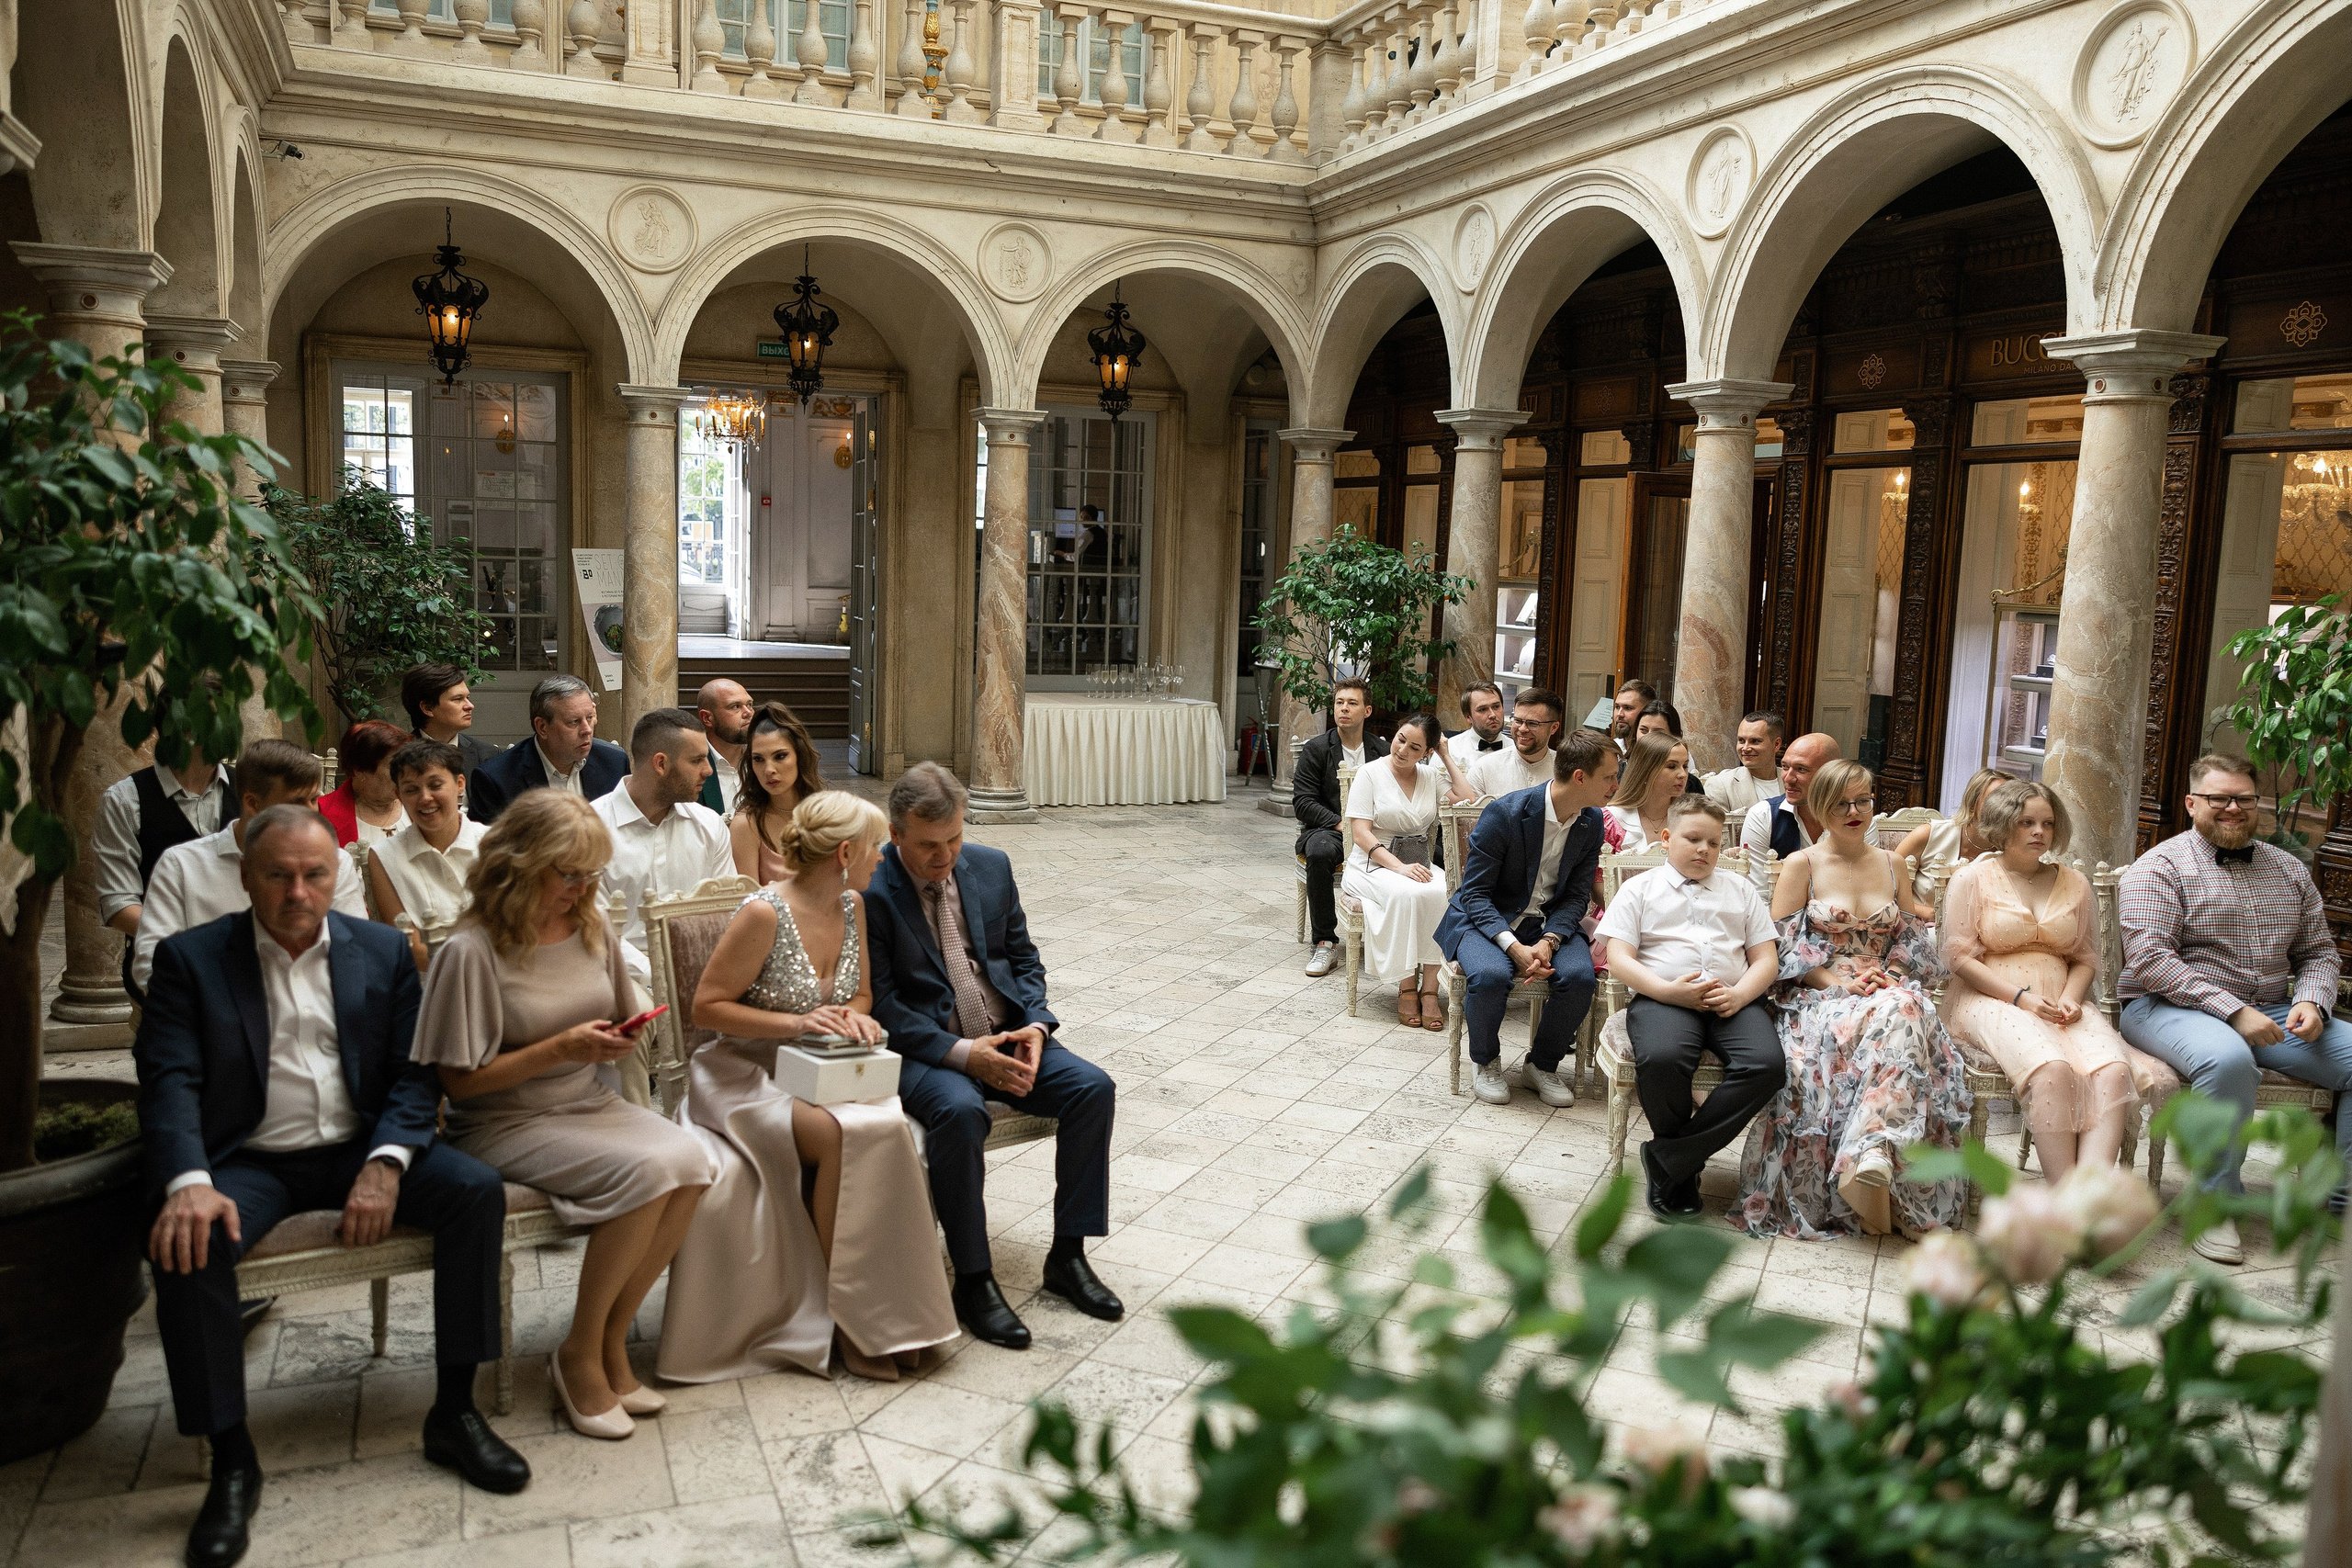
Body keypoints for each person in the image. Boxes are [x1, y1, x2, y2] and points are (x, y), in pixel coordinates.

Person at [135, 805, 528, 1568]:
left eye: (315, 873)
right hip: (248, 1159)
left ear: (336, 875)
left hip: (358, 1145)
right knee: (186, 1238)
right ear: (246, 877)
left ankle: (453, 1411)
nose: (297, 890)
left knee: (474, 1189)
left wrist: (386, 1163)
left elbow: (416, 1077)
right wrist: (188, 1180)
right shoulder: (193, 960)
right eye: (277, 874)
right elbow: (168, 1082)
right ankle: (232, 1456)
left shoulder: (380, 951)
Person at [411, 791, 711, 1438]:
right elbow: (458, 1085)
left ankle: (604, 1343)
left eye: (592, 874)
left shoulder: (590, 926)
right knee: (647, 1172)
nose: (582, 889)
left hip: (586, 1099)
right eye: (568, 874)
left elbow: (614, 1012)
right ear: (519, 865)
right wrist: (559, 1047)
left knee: (692, 1161)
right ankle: (578, 1353)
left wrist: (621, 1036)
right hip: (502, 1120)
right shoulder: (472, 950)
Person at [662, 793, 957, 1385]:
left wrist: (857, 1018)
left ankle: (897, 1314)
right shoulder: (763, 913)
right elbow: (707, 1009)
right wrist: (797, 1023)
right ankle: (848, 1319)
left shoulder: (854, 905)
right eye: (876, 846)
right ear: (846, 852)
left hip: (825, 1064)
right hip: (746, 1075)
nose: (882, 857)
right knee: (843, 1135)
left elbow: (863, 994)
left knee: (888, 1128)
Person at [865, 763, 1120, 1349]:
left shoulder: (990, 866)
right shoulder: (871, 888)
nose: (944, 855)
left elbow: (1022, 959)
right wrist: (963, 1055)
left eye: (954, 838)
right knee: (958, 1114)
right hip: (927, 1050)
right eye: (928, 845)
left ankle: (1068, 1256)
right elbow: (884, 1005)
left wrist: (1035, 1023)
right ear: (896, 833)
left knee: (1092, 1088)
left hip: (1006, 1032)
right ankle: (974, 1279)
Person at [2120, 753, 2352, 1262]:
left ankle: (2342, 1203)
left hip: (2274, 1009)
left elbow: (2317, 952)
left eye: (2243, 799)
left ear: (2256, 804)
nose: (2232, 808)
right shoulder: (2158, 867)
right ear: (2191, 804)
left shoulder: (2289, 869)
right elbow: (2151, 959)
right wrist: (2232, 1011)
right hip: (2166, 1006)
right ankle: (2216, 1202)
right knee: (2227, 1059)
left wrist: (2312, 999)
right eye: (2218, 798)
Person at [1742, 760, 1970, 1240]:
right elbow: (1779, 950)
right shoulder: (1801, 865)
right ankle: (1880, 1172)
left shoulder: (1894, 864)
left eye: (1863, 801)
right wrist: (1837, 983)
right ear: (1821, 807)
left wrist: (1893, 973)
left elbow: (1910, 942)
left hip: (1886, 990)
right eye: (1842, 803)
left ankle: (1874, 1157)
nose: (1854, 811)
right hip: (1822, 996)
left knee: (1907, 1007)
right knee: (1905, 1014)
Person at [1939, 781, 2140, 1186]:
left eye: (2047, 824)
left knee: (2114, 1070)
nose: (2039, 832)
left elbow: (2085, 958)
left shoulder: (2075, 882)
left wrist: (2071, 998)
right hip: (1989, 996)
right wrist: (2020, 998)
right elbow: (1957, 957)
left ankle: (2090, 1204)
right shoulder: (1972, 879)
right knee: (2052, 1069)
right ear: (2001, 825)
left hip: (2060, 999)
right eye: (2026, 822)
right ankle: (2063, 1199)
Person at [1595, 795, 1782, 1218]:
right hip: (1665, 997)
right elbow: (1620, 958)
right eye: (1693, 839)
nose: (1704, 849)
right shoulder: (1639, 889)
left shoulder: (1740, 890)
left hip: (1730, 998)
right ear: (1666, 838)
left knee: (1766, 1065)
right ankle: (1680, 1174)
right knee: (1663, 1058)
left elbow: (1766, 959)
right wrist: (1666, 991)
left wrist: (1739, 995)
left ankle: (1672, 1160)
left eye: (1714, 843)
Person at [1436, 727, 1617, 1107]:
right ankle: (1485, 1061)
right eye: (1610, 776)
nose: (1616, 784)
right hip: (1484, 917)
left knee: (1580, 977)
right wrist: (1513, 946)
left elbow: (1575, 895)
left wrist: (1550, 941)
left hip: (1546, 921)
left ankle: (1541, 1065)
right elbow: (1475, 894)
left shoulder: (1592, 821)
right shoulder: (1506, 813)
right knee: (1490, 975)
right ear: (1580, 777)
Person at [134, 741, 368, 994]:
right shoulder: (181, 866)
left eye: (314, 799)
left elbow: (355, 954)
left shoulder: (336, 863)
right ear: (252, 803)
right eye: (297, 802)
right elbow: (153, 967)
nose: (312, 814)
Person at [1342, 713, 1476, 1029]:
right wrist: (1398, 867)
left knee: (1447, 894)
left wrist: (1445, 754)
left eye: (1415, 747)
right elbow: (1360, 833)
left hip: (1418, 862)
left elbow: (1469, 799)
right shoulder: (1369, 773)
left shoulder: (1431, 776)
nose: (1402, 750)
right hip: (1370, 864)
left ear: (1427, 752)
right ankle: (1405, 986)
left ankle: (1430, 989)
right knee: (1407, 895)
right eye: (1401, 739)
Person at [594, 707, 733, 985]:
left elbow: (725, 913)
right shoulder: (589, 829)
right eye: (697, 760)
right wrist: (662, 978)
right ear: (661, 764)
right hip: (618, 977)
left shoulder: (709, 825)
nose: (708, 771)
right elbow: (593, 930)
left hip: (704, 971)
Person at [93, 725, 232, 957]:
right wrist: (192, 947)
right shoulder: (124, 801)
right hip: (163, 966)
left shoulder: (250, 791)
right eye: (211, 718)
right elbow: (119, 903)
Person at [1294, 679, 1388, 979]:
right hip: (1330, 829)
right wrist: (1343, 824)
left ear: (1367, 710)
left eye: (1352, 703)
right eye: (1339, 702)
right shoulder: (1317, 749)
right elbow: (1303, 802)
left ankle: (1389, 938)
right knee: (1319, 852)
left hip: (1378, 831)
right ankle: (1325, 941)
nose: (1344, 708)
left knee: (1427, 853)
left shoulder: (1383, 751)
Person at [367, 740, 487, 973]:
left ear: (460, 784)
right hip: (429, 986)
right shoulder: (383, 856)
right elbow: (411, 946)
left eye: (435, 785)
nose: (425, 798)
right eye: (411, 789)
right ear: (398, 795)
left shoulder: (492, 843)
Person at [466, 674, 629, 824]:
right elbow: (490, 851)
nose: (587, 730)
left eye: (589, 718)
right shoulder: (496, 778)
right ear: (542, 727)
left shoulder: (614, 764)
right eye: (574, 722)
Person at [729, 702, 828, 881]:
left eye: (780, 756)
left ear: (800, 755)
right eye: (758, 759)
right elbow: (748, 903)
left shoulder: (827, 813)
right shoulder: (746, 825)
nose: (769, 770)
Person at [1893, 766, 2007, 900]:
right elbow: (1884, 887)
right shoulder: (1928, 834)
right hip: (1918, 919)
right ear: (1972, 805)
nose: (2003, 808)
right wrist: (1923, 912)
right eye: (1994, 801)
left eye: (2009, 803)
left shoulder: (2013, 848)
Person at [1738, 731, 1840, 867]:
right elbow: (1757, 887)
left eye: (1801, 769)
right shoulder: (1763, 816)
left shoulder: (1856, 818)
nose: (1788, 778)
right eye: (1785, 767)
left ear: (1831, 774)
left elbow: (1868, 880)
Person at [315, 719, 412, 850]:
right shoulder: (321, 815)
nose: (404, 774)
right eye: (393, 766)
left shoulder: (420, 803)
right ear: (359, 769)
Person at [401, 661, 497, 780]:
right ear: (428, 708)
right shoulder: (398, 756)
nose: (470, 706)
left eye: (467, 698)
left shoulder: (487, 754)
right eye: (458, 699)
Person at [1602, 732, 1692, 851]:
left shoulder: (1692, 820)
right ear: (1646, 770)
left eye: (1685, 766)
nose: (1682, 774)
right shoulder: (1611, 821)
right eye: (1671, 766)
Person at [1469, 685, 1565, 798]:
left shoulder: (1567, 771)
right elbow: (1467, 814)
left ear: (1554, 727)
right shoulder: (1484, 768)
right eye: (1518, 721)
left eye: (1533, 723)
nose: (1522, 729)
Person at [694, 677, 756, 818]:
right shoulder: (690, 768)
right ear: (707, 718)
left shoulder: (762, 759)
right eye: (735, 706)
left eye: (750, 704)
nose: (748, 713)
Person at [1704, 712, 1787, 818]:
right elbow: (1718, 831)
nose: (1745, 748)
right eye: (1741, 740)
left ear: (1776, 744)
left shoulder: (1792, 781)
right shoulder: (1721, 785)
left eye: (1755, 741)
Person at [1445, 682, 1510, 766]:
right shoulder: (1449, 750)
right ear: (1468, 717)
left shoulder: (1517, 750)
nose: (1492, 715)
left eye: (1496, 707)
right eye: (1483, 709)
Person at [1610, 680, 1657, 753]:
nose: (1619, 714)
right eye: (1617, 707)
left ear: (1647, 710)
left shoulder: (1659, 752)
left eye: (1628, 708)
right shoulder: (1610, 750)